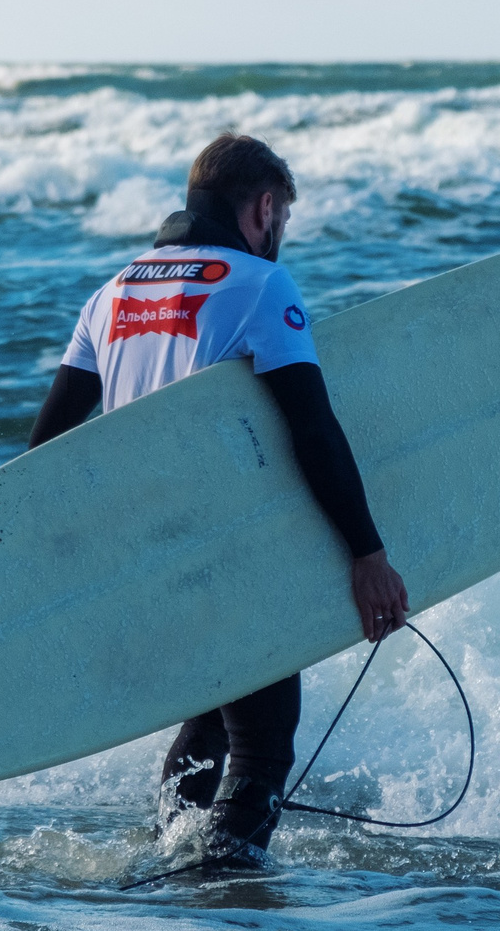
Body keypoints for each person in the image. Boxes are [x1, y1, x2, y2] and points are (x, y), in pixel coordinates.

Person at [28, 133, 410, 870]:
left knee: (205, 725)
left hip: (144, 559)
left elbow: (47, 448)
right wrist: (368, 553)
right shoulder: (259, 285)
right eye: (283, 221)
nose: (281, 239)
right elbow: (313, 427)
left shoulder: (112, 293)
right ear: (263, 207)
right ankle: (220, 893)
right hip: (226, 554)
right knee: (263, 743)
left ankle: (172, 870)